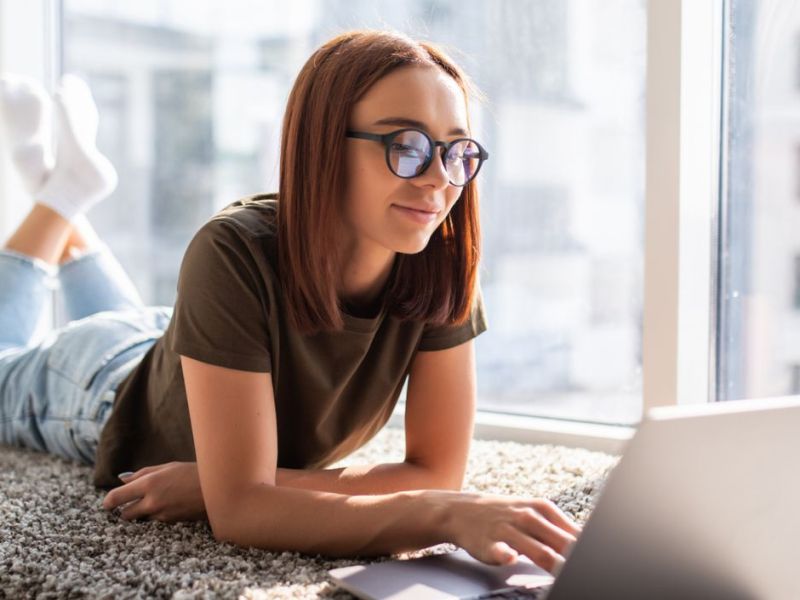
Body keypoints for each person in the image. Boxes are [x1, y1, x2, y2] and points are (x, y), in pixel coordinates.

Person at [0, 29, 581, 573]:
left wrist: (225, 484)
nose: (438, 179)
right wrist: (440, 512)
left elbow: (435, 471)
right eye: (406, 146)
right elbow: (246, 514)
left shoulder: (440, 261)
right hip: (99, 387)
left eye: (457, 151)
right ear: (323, 144)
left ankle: (61, 198)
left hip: (189, 351)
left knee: (132, 328)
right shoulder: (231, 251)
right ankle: (61, 199)